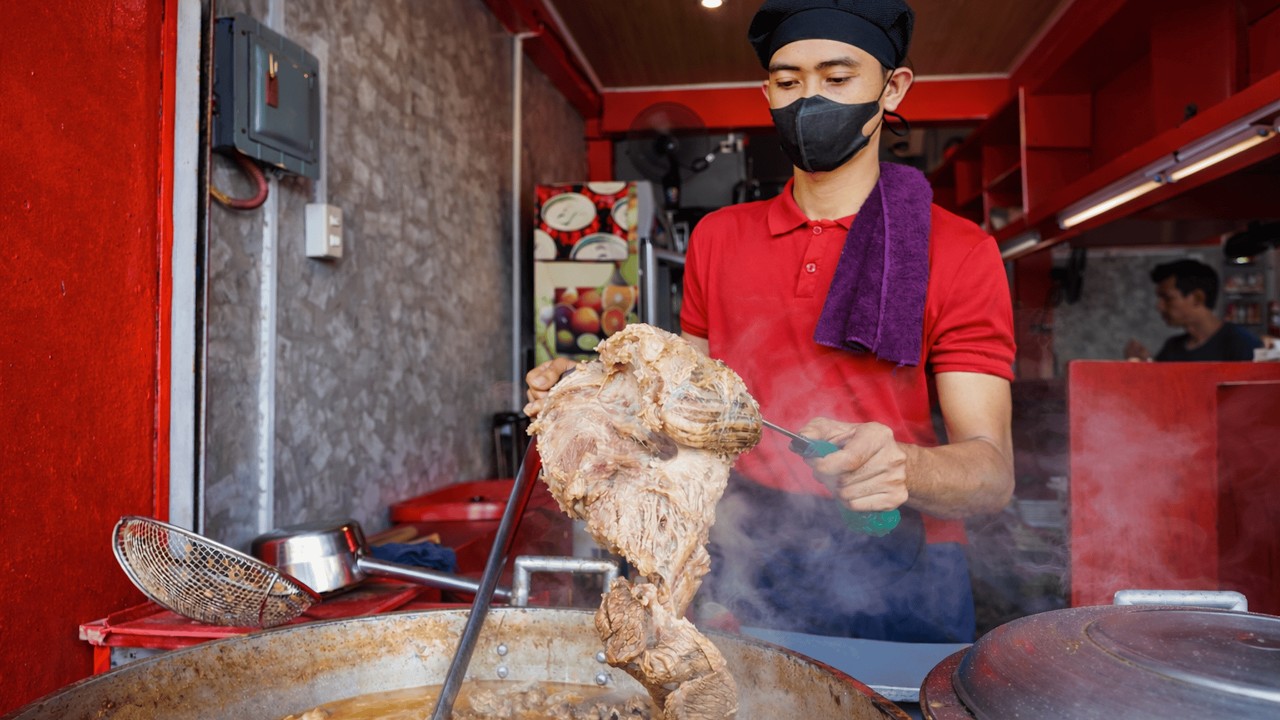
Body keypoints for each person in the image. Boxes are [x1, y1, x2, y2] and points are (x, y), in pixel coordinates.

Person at [526, 0, 1015, 644]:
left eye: (838, 78)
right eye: (789, 81)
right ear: (768, 92)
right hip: (747, 545)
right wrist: (594, 394)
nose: (810, 99)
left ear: (892, 88)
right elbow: (682, 407)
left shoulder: (959, 250)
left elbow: (992, 474)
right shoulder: (717, 238)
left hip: (903, 553)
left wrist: (904, 467)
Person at [1124, 259, 1262, 362]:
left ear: (1197, 298)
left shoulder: (1241, 344)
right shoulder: (1173, 347)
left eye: (1167, 298)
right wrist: (1146, 363)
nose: (1159, 306)